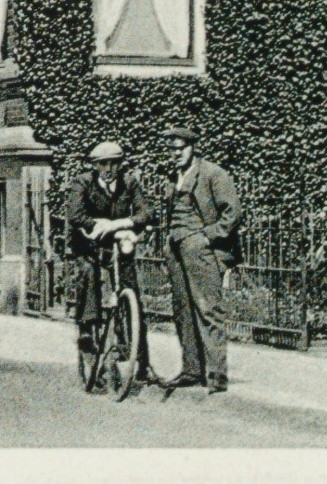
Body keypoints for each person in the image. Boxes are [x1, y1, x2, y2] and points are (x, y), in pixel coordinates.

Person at [158, 125, 240, 395]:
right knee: (182, 309)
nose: (176, 154)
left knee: (207, 309)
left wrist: (207, 237)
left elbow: (232, 213)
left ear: (193, 147)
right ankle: (191, 370)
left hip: (201, 250)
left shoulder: (213, 174)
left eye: (180, 149)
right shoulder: (173, 176)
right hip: (176, 248)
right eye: (171, 150)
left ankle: (216, 375)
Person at [66, 140, 155, 369]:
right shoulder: (82, 182)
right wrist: (97, 224)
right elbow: (75, 214)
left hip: (117, 241)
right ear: (95, 166)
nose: (109, 169)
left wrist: (119, 224)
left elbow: (146, 212)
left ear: (120, 165)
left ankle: (140, 361)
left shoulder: (129, 182)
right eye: (103, 164)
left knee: (130, 289)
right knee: (89, 273)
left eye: (114, 164)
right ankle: (87, 329)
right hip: (88, 243)